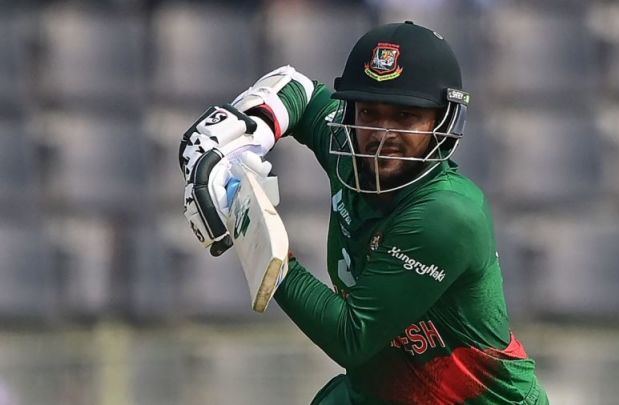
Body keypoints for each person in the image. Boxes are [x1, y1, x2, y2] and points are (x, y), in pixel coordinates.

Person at [179, 21, 548, 405]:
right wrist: (250, 132)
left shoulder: (447, 214)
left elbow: (350, 337)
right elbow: (297, 89)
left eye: (405, 117)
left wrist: (249, 224)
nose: (382, 134)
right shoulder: (350, 149)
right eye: (370, 111)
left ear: (442, 121)